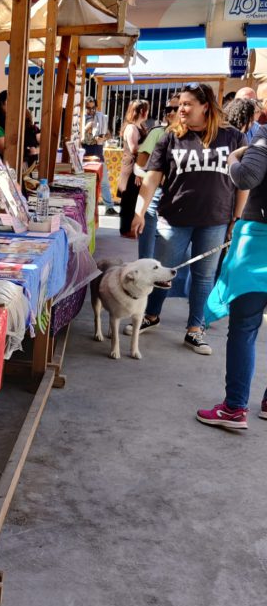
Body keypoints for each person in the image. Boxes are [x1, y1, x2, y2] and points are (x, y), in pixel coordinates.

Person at [129, 83, 246, 354]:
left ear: (205, 106)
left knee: (204, 276)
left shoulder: (233, 138)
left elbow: (244, 183)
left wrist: (237, 218)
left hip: (215, 219)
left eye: (187, 104)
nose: (180, 109)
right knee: (163, 271)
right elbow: (152, 177)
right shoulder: (170, 137)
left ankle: (195, 328)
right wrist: (139, 211)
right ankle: (152, 314)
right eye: (179, 104)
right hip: (174, 217)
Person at [196, 123, 267, 428]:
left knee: (245, 327)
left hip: (260, 242)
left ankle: (235, 408)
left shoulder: (264, 136)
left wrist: (234, 158)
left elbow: (247, 176)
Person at [135, 96, 179, 260]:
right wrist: (154, 177)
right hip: (156, 195)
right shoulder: (158, 133)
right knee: (148, 250)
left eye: (176, 108)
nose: (172, 113)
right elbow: (138, 166)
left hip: (180, 202)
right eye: (168, 110)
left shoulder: (193, 137)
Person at [117, 99, 150, 237]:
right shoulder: (132, 128)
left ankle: (132, 229)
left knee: (134, 199)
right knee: (129, 200)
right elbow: (134, 149)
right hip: (132, 167)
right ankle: (126, 230)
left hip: (137, 166)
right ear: (142, 111)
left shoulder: (140, 126)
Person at [82, 97, 116, 215]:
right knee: (86, 183)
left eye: (93, 107)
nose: (91, 110)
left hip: (98, 150)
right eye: (88, 108)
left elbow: (109, 135)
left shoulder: (101, 117)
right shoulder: (81, 119)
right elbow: (78, 136)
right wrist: (87, 127)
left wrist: (103, 138)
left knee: (104, 181)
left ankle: (109, 207)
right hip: (85, 152)